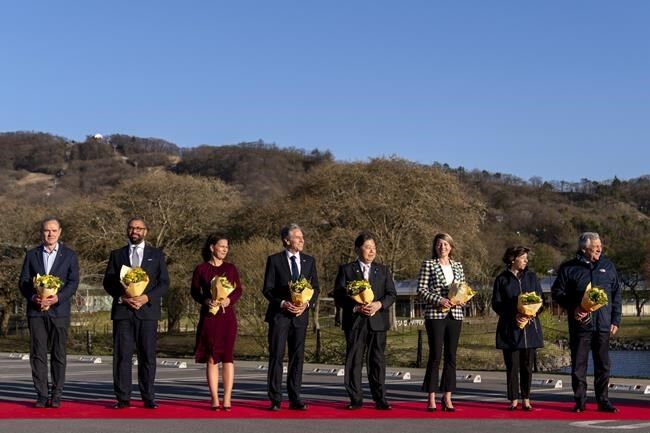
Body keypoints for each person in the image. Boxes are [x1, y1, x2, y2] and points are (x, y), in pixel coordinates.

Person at [103, 217, 169, 409]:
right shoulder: (117, 254)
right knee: (122, 356)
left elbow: (164, 282)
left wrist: (146, 298)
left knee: (147, 356)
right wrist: (123, 296)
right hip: (123, 311)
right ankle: (122, 398)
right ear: (127, 230)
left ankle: (148, 397)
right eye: (131, 228)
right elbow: (108, 282)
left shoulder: (156, 255)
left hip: (147, 312)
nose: (135, 231)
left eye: (139, 228)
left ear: (145, 232)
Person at [552, 232, 622, 413]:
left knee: (603, 365)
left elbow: (616, 294)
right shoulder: (569, 268)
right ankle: (580, 401)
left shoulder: (608, 266)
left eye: (600, 246)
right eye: (595, 246)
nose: (600, 249)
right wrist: (574, 307)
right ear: (584, 249)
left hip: (604, 324)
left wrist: (616, 319)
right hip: (580, 325)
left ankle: (603, 400)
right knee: (579, 365)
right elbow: (557, 292)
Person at [19, 217, 79, 408]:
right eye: (46, 230)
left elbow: (73, 282)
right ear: (41, 232)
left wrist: (58, 298)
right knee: (37, 354)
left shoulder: (69, 255)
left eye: (54, 230)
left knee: (59, 354)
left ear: (60, 232)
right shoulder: (31, 255)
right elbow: (24, 282)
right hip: (36, 312)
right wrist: (33, 297)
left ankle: (56, 395)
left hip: (59, 312)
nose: (50, 234)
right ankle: (42, 394)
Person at [333, 232, 396, 410]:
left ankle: (380, 398)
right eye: (368, 247)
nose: (372, 251)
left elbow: (391, 294)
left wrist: (379, 304)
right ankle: (355, 398)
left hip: (378, 322)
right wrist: (355, 307)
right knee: (354, 360)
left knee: (377, 361)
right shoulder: (347, 270)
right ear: (357, 249)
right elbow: (338, 296)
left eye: (374, 248)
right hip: (355, 321)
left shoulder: (383, 270)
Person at [262, 223, 320, 411]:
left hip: (300, 317)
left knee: (297, 357)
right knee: (277, 356)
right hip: (280, 316)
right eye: (297, 236)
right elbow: (267, 289)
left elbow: (316, 288)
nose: (302, 239)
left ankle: (295, 397)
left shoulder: (309, 261)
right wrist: (282, 303)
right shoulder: (274, 260)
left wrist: (307, 304)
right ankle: (275, 399)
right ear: (287, 240)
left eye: (302, 236)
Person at [191, 234, 242, 411]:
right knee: (212, 358)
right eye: (222, 246)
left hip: (227, 317)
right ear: (212, 247)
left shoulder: (231, 268)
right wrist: (206, 300)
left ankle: (227, 398)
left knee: (228, 358)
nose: (225, 249)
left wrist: (230, 300)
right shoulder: (201, 269)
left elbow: (238, 290)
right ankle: (214, 398)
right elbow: (195, 292)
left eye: (227, 247)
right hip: (209, 318)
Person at [416, 233, 466, 412]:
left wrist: (463, 299)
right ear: (435, 247)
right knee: (435, 355)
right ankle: (431, 397)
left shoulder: (458, 266)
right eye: (439, 244)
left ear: (451, 247)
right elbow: (421, 290)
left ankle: (448, 396)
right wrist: (439, 300)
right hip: (435, 315)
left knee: (451, 356)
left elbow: (463, 287)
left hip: (455, 314)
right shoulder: (428, 264)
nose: (442, 247)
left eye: (445, 244)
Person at [491, 246, 544, 411]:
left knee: (527, 365)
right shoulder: (501, 279)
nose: (526, 260)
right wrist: (514, 314)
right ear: (513, 259)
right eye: (523, 257)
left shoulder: (532, 277)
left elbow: (540, 300)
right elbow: (496, 304)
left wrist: (532, 312)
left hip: (529, 329)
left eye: (527, 257)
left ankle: (526, 398)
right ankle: (513, 398)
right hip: (510, 329)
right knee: (512, 366)